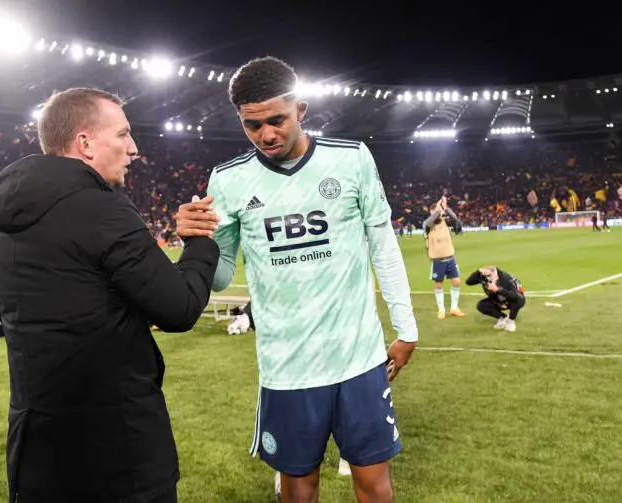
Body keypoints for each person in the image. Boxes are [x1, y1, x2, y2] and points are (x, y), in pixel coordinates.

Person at [0, 88, 220, 503]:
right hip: (116, 450)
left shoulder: (0, 225)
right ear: (86, 143)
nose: (134, 148)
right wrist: (199, 242)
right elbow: (179, 308)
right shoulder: (102, 209)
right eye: (123, 134)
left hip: (36, 450)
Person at [198, 57, 418, 503]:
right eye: (252, 125)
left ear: (301, 109)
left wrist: (406, 329)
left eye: (276, 120)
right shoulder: (228, 180)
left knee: (375, 487)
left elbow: (383, 247)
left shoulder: (350, 159)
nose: (266, 135)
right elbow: (219, 278)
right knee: (298, 491)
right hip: (286, 368)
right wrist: (198, 241)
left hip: (357, 359)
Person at [423, 197, 465, 319]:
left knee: (456, 282)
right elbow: (428, 222)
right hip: (438, 260)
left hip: (450, 257)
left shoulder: (445, 222)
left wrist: (445, 207)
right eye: (434, 212)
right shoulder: (427, 226)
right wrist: (438, 210)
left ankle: (454, 308)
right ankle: (441, 310)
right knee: (438, 284)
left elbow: (455, 219)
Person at [465, 266, 525, 332]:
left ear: (496, 276)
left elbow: (518, 297)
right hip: (498, 299)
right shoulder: (484, 277)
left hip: (512, 300)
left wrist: (497, 289)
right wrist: (478, 271)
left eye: (489, 276)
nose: (487, 280)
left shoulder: (505, 279)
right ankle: (503, 317)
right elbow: (468, 282)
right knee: (481, 305)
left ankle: (511, 321)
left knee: (518, 300)